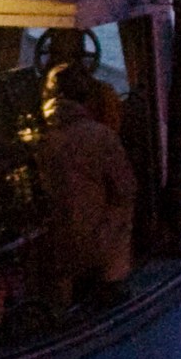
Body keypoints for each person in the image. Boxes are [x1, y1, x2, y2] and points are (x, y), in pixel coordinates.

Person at [36, 62, 139, 306]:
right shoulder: (99, 136)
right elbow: (126, 188)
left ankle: (61, 292)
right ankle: (110, 282)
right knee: (124, 207)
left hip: (47, 242)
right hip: (89, 240)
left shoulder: (36, 134)